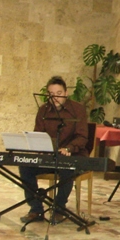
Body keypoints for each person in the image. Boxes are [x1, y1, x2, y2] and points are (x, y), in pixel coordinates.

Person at [19, 76, 89, 224]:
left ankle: (58, 208)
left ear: (66, 93)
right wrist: (40, 148)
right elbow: (38, 133)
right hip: (50, 155)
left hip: (72, 154)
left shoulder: (77, 110)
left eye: (59, 93)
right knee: (25, 166)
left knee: (67, 170)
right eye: (51, 94)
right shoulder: (43, 110)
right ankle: (36, 209)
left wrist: (69, 148)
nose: (55, 97)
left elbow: (82, 137)